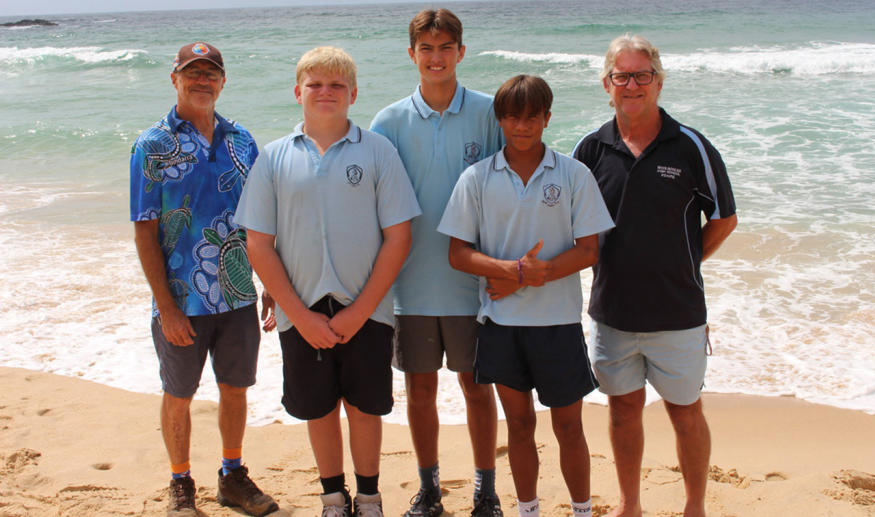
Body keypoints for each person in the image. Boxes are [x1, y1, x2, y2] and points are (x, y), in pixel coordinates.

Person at [235, 46, 420, 517]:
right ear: (298, 92)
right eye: (315, 84)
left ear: (353, 94)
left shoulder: (378, 151)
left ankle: (370, 497)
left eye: (336, 85)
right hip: (302, 310)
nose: (325, 92)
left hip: (368, 308)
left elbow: (399, 238)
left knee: (365, 408)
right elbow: (259, 244)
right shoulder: (275, 157)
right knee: (318, 409)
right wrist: (297, 313)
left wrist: (360, 311)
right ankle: (333, 497)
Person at [572, 35, 738, 517]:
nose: (632, 85)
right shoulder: (590, 150)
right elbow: (573, 226)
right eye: (621, 76)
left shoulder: (690, 147)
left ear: (658, 82)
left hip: (679, 313)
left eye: (642, 75)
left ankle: (694, 507)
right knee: (623, 412)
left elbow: (724, 218)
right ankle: (630, 506)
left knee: (685, 413)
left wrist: (684, 262)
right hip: (612, 313)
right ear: (606, 85)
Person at [439, 75, 614, 517]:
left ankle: (581, 510)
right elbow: (458, 253)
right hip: (500, 325)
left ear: (547, 118)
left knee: (569, 426)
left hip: (558, 323)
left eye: (532, 116)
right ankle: (528, 510)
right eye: (513, 117)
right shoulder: (477, 178)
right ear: (500, 119)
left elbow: (590, 249)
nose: (522, 126)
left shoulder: (574, 174)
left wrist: (536, 275)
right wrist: (511, 271)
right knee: (518, 425)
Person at [130, 41, 278, 517]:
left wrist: (271, 282)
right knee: (179, 394)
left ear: (223, 80)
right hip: (180, 299)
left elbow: (259, 220)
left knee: (235, 388)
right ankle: (180, 483)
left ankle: (232, 476)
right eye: (191, 72)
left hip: (236, 294)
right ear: (174, 79)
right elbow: (144, 229)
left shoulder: (242, 141)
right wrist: (166, 306)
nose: (201, 80)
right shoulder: (152, 145)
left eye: (210, 73)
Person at [369, 8, 504, 517]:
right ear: (412, 55)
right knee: (419, 390)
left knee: (476, 388)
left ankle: (485, 490)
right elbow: (375, 208)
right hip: (410, 284)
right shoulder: (388, 121)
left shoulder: (490, 113)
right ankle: (429, 490)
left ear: (461, 52)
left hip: (473, 285)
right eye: (426, 48)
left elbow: (509, 191)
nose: (436, 57)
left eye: (446, 47)